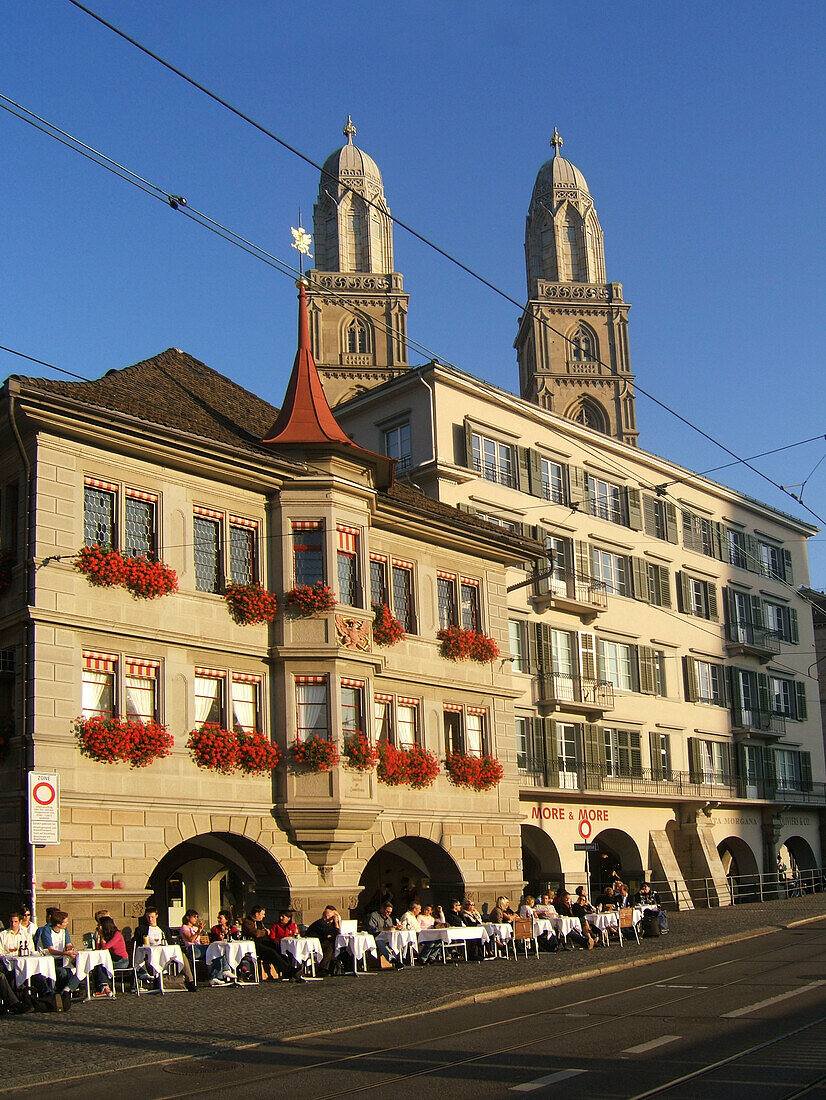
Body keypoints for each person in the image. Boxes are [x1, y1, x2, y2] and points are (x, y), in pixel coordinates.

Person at [242, 905, 302, 981]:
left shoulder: (259, 922)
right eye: (262, 914)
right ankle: (288, 971)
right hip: (253, 945)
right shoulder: (248, 922)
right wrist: (265, 932)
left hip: (261, 942)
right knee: (272, 952)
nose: (263, 916)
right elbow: (256, 933)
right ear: (257, 914)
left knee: (278, 948)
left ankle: (290, 969)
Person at [37, 909, 80, 1011]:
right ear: (59, 924)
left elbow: (68, 944)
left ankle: (66, 991)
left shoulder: (64, 931)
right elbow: (51, 950)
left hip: (61, 959)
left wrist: (71, 949)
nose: (67, 923)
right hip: (48, 960)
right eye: (65, 922)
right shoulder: (47, 931)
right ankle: (59, 994)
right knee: (62, 972)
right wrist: (65, 953)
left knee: (77, 970)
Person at [180, 910, 227, 986]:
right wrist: (199, 930)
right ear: (188, 918)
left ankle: (217, 976)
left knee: (217, 951)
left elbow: (200, 940)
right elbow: (191, 939)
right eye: (194, 917)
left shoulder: (195, 928)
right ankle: (222, 971)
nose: (196, 919)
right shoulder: (185, 928)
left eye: (197, 917)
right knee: (215, 949)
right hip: (192, 949)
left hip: (200, 947)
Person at [267, 910, 306, 981]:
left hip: (291, 945)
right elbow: (272, 937)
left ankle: (298, 972)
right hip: (280, 945)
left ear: (289, 918)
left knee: (296, 953)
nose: (281, 918)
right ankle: (291, 972)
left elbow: (297, 935)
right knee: (285, 955)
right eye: (280, 916)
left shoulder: (293, 925)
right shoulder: (276, 925)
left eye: (283, 917)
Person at [305, 905, 344, 976]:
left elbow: (336, 933)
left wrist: (339, 921)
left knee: (337, 944)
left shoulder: (328, 924)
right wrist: (336, 923)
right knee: (330, 945)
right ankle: (322, 969)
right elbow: (334, 932)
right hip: (313, 944)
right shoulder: (321, 923)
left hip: (321, 942)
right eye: (332, 916)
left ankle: (334, 967)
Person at [366, 902, 404, 968]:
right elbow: (371, 929)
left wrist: (396, 928)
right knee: (379, 941)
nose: (388, 914)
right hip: (376, 936)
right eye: (387, 912)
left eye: (390, 912)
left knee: (398, 939)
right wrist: (384, 928)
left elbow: (390, 929)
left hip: (388, 937)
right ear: (382, 909)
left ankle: (400, 958)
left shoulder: (389, 918)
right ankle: (392, 959)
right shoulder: (374, 916)